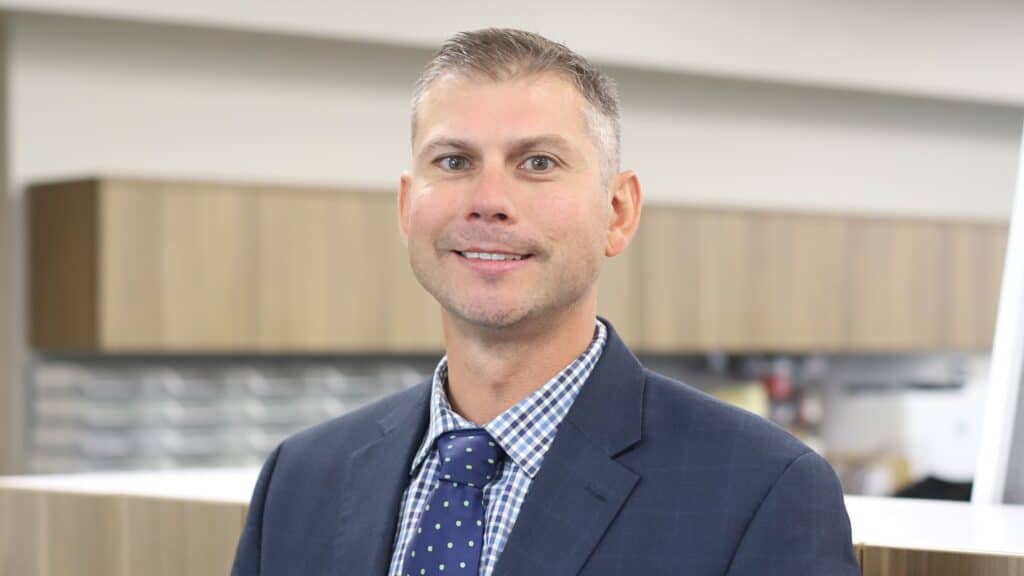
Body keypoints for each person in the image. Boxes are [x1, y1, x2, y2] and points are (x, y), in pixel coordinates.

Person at [232, 28, 860, 576]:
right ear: (406, 207)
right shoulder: (301, 479)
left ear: (618, 211)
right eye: (453, 161)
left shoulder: (759, 489)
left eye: (537, 162)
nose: (488, 199)